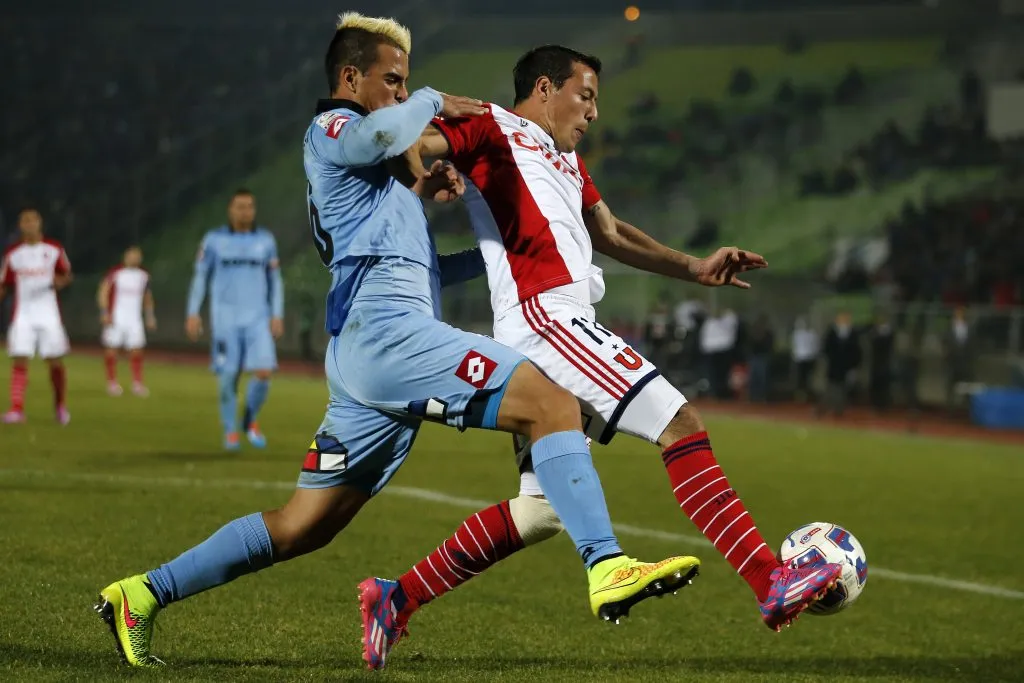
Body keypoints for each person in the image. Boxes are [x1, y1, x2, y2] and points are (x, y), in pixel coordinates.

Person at [94, 16, 696, 670]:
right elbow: (380, 133)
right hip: (389, 336)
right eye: (393, 80)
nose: (402, 93)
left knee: (302, 525)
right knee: (551, 400)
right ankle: (605, 563)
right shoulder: (331, 129)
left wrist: (511, 249)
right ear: (351, 77)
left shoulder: (383, 182)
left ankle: (141, 593)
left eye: (407, 83)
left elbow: (425, 268)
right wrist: (433, 100)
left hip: (370, 351)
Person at [376, 43, 842, 653]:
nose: (594, 112)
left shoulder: (566, 159)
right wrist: (422, 169)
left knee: (541, 510)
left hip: (556, 321)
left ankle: (397, 597)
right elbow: (406, 145)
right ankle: (769, 579)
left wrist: (695, 268)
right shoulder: (491, 125)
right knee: (679, 421)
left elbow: (612, 232)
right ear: (545, 89)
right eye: (586, 96)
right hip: (544, 317)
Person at [185, 189, 284, 450]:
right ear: (230, 210)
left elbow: (275, 281)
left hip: (258, 318)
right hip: (225, 319)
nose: (245, 211)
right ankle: (230, 431)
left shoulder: (265, 241)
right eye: (239, 206)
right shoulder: (213, 240)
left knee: (264, 372)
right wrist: (193, 312)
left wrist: (277, 313)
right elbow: (200, 277)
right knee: (228, 375)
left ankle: (249, 418)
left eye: (249, 206)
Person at [0, 207, 73, 424]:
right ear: (20, 226)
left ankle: (60, 406)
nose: (29, 224)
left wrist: (60, 282)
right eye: (25, 221)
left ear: (40, 223)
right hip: (23, 314)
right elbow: (4, 284)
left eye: (33, 220)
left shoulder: (54, 249)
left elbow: (66, 275)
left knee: (54, 360)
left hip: (49, 314)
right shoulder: (13, 253)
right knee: (20, 357)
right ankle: (16, 409)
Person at [98, 246, 156, 397]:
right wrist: (104, 312)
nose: (134, 259)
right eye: (131, 256)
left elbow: (147, 297)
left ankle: (137, 383)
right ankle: (112, 382)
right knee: (112, 349)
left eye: (137, 256)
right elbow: (103, 291)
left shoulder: (143, 276)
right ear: (125, 257)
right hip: (116, 318)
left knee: (137, 350)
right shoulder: (116, 273)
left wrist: (150, 316)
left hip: (134, 319)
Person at [818, 310, 861, 418]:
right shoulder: (832, 332)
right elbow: (826, 348)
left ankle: (838, 409)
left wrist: (853, 364)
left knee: (842, 388)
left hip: (846, 365)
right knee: (831, 387)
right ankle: (823, 408)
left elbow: (856, 350)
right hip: (833, 364)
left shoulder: (852, 333)